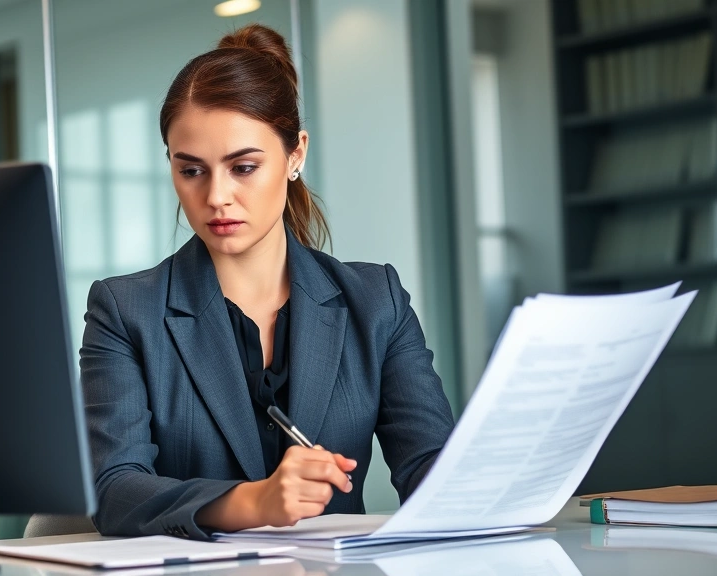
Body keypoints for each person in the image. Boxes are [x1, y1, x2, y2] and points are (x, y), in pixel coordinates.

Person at [81, 23, 454, 540]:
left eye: (244, 167)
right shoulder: (125, 310)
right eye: (191, 171)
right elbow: (115, 492)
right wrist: (253, 501)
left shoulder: (377, 302)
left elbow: (433, 470)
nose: (216, 196)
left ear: (295, 154)